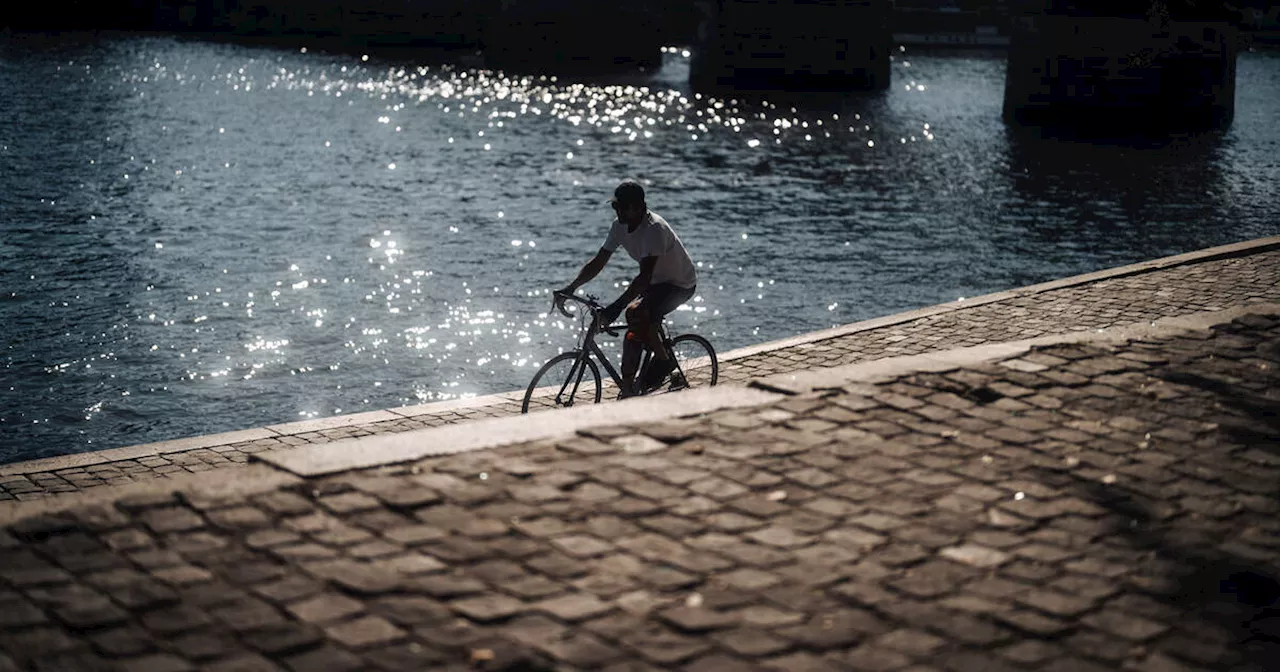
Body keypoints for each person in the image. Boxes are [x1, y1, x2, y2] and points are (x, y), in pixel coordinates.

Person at [555, 179, 698, 396]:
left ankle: (663, 363)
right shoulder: (619, 226)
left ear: (639, 207)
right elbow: (599, 261)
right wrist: (571, 287)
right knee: (637, 323)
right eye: (615, 206)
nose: (617, 211)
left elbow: (644, 276)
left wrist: (616, 307)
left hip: (679, 284)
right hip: (656, 284)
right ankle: (632, 384)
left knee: (635, 313)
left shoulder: (654, 229)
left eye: (622, 207)